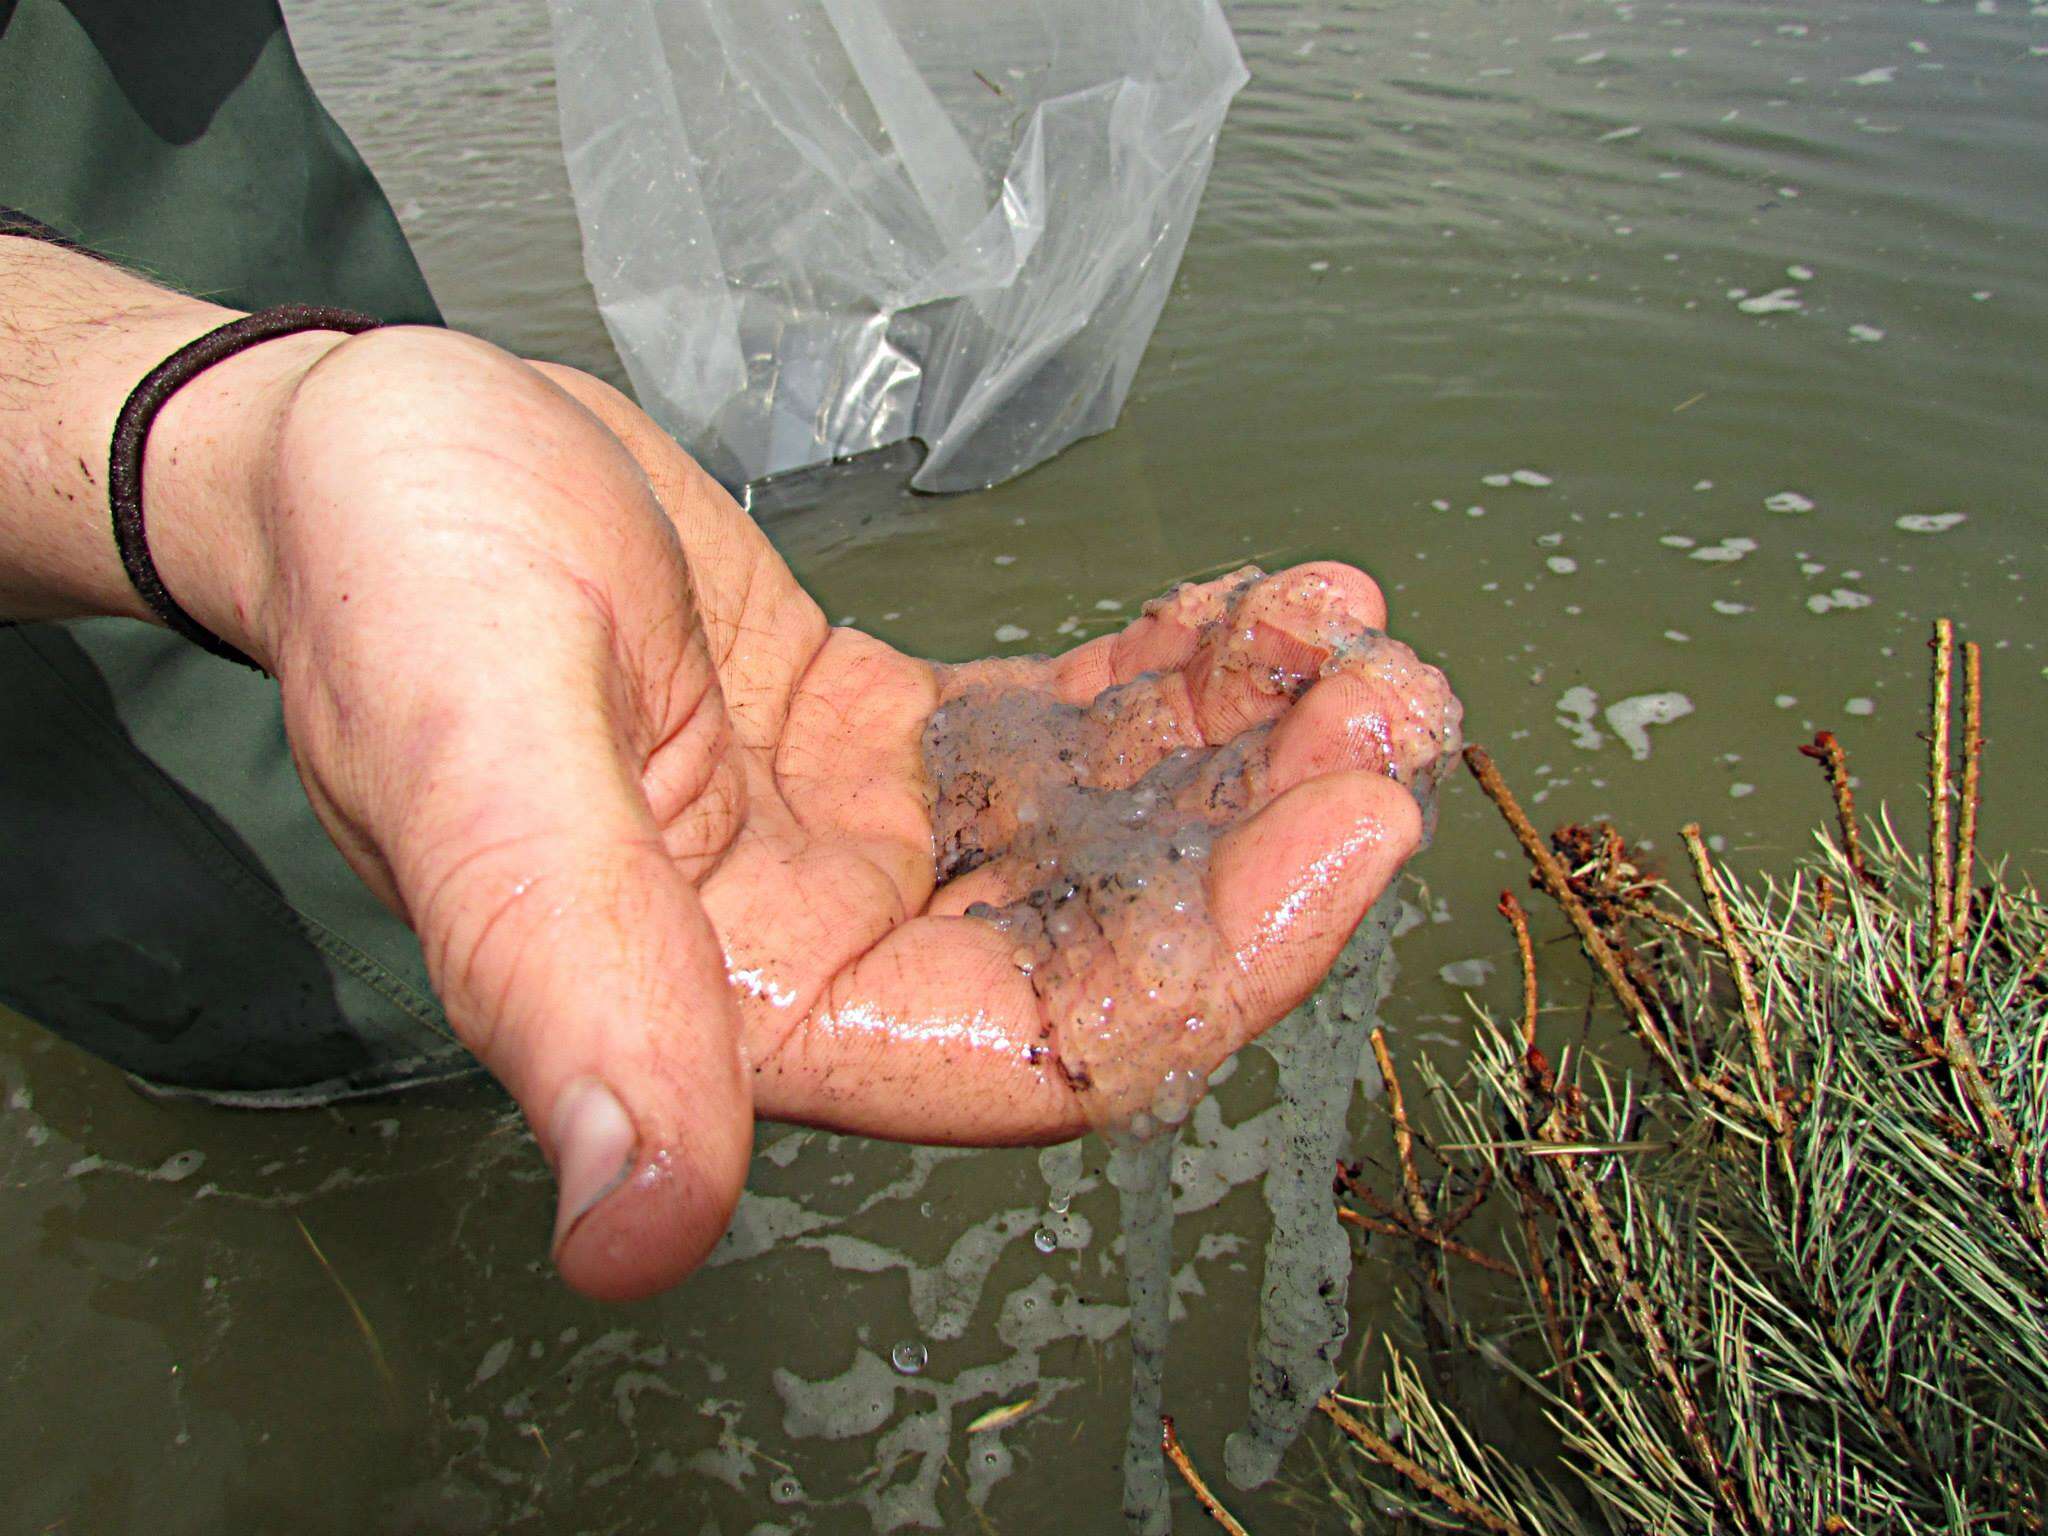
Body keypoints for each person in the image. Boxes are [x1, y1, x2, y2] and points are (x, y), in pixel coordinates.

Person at [0, 0, 1435, 1302]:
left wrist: (262, 418)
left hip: (280, 381)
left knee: (517, 899)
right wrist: (239, 467)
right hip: (189, 632)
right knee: (323, 1007)